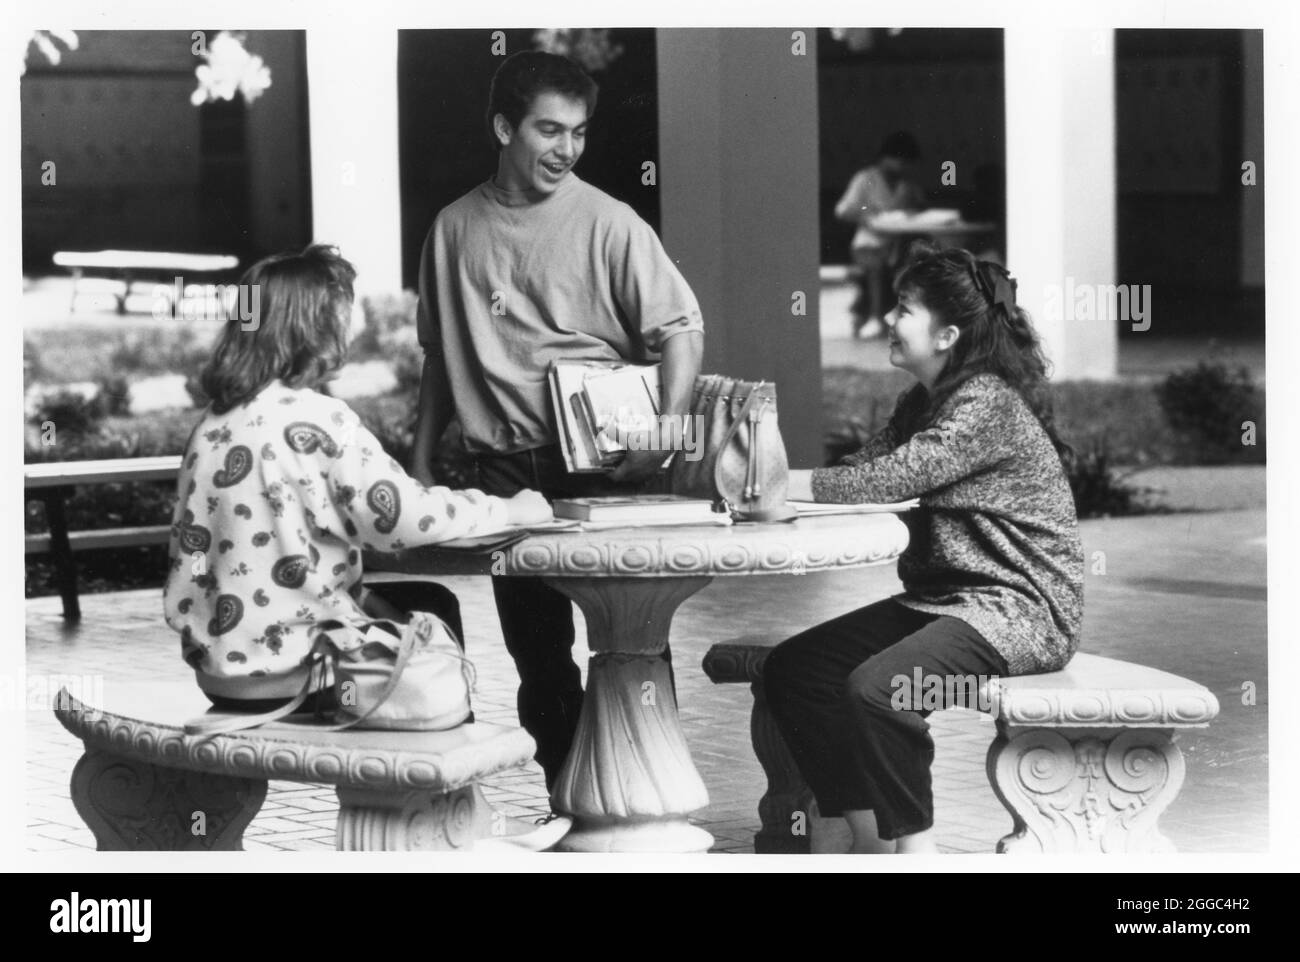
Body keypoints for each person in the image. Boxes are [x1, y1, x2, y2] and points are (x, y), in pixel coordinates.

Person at [411, 51, 705, 792]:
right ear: (504, 127)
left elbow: (681, 329)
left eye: (577, 132)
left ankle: (645, 796)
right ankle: (574, 803)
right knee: (539, 660)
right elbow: (441, 358)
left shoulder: (611, 220)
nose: (567, 148)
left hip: (607, 468)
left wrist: (664, 435)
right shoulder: (452, 230)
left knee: (633, 646)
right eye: (549, 130)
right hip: (505, 473)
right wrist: (419, 462)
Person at [771, 243, 1084, 853]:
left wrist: (778, 482)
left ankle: (918, 853)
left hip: (1020, 611)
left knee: (880, 688)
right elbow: (867, 467)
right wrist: (780, 489)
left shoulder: (984, 402)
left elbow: (889, 480)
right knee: (798, 670)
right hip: (946, 600)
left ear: (946, 335)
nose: (888, 320)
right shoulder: (923, 400)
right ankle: (859, 834)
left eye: (903, 309)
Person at [162, 244, 551, 711]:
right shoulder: (320, 419)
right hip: (298, 675)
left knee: (408, 600)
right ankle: (440, 772)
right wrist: (508, 507)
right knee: (434, 609)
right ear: (316, 326)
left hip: (220, 673)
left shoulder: (212, 422)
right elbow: (407, 519)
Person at [835, 131, 926, 339]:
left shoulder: (907, 185)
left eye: (906, 163)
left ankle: (907, 321)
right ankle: (874, 318)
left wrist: (914, 210)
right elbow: (843, 211)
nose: (902, 167)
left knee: (913, 267)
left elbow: (920, 208)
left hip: (897, 245)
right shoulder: (865, 178)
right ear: (886, 158)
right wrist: (866, 215)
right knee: (875, 265)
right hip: (868, 243)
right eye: (899, 161)